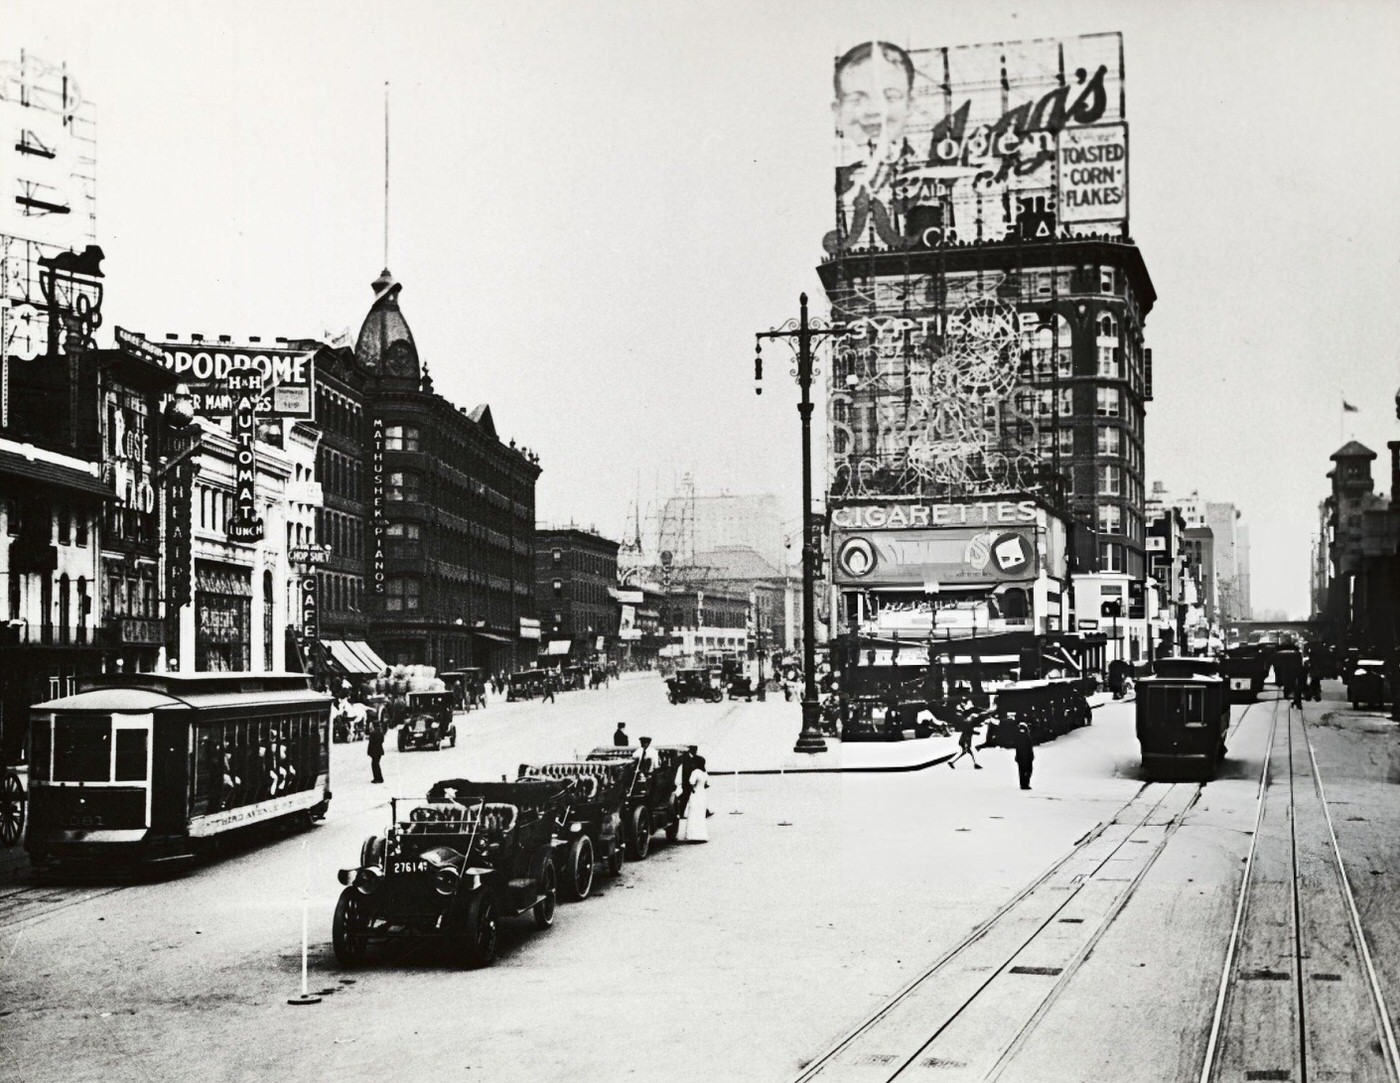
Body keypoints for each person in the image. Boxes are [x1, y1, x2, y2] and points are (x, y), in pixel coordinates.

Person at [677, 755, 710, 842]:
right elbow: (708, 784)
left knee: (693, 814)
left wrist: (693, 788)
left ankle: (693, 836)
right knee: (700, 814)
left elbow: (691, 782)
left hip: (695, 794)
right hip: (702, 794)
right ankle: (702, 835)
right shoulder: (704, 773)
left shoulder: (695, 772)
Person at [1013, 722, 1035, 791]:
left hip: (1022, 756)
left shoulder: (1020, 735)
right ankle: (1024, 785)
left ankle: (1024, 784)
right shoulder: (1024, 735)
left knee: (1023, 771)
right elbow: (1027, 747)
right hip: (1025, 757)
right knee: (1026, 770)